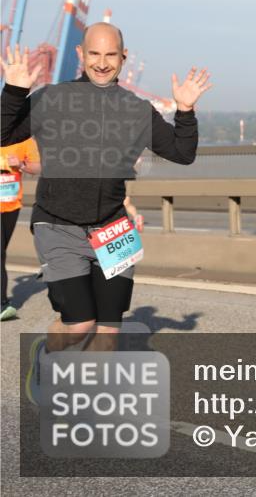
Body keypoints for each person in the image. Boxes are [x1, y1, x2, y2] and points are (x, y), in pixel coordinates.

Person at [1, 24, 211, 404]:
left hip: (113, 229)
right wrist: (14, 91)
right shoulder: (52, 98)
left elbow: (183, 153)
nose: (102, 63)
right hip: (58, 224)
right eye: (94, 54)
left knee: (108, 332)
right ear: (80, 55)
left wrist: (185, 110)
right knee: (80, 323)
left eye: (110, 55)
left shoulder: (135, 109)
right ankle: (46, 356)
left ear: (123, 58)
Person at [1, 136, 41, 320]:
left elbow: (38, 166)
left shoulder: (23, 140)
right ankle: (2, 304)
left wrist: (22, 164)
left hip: (10, 205)